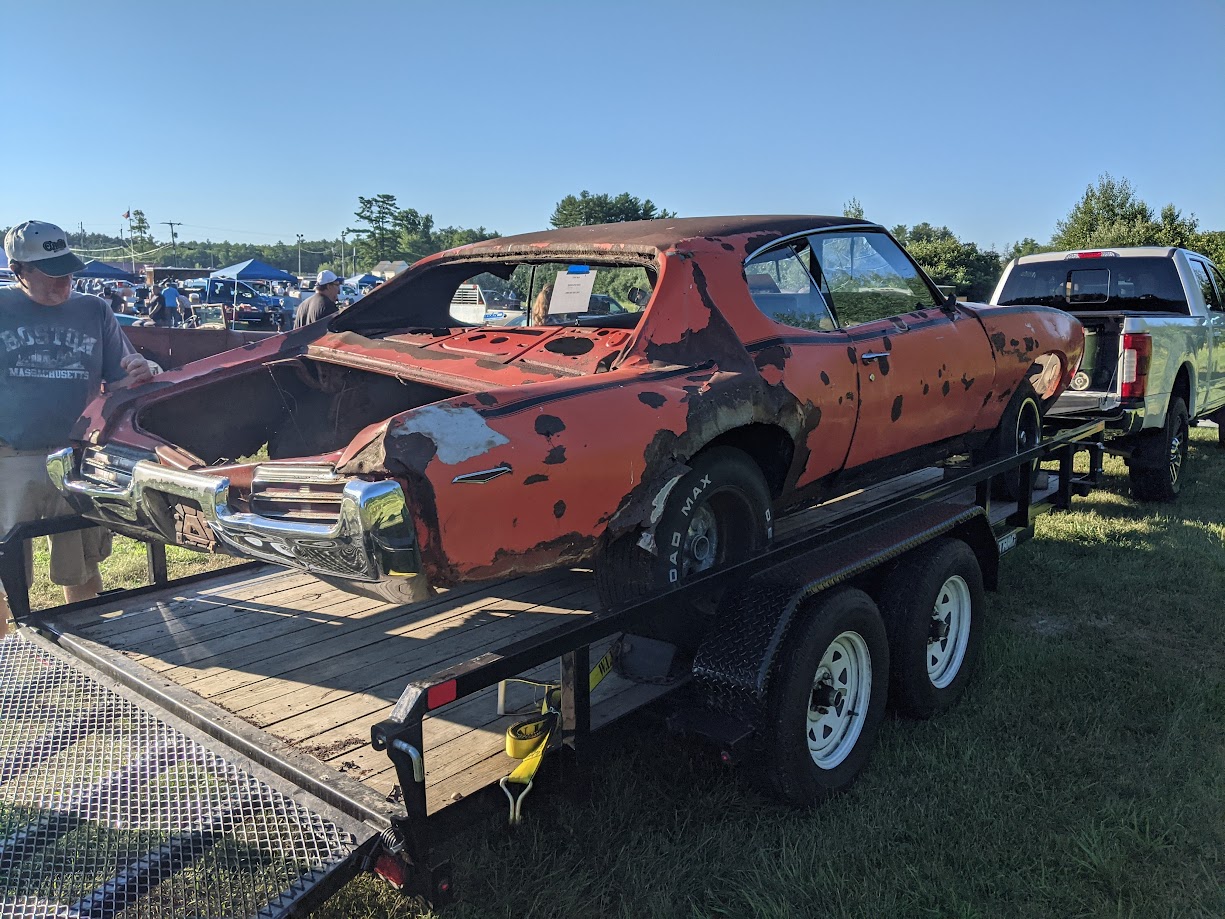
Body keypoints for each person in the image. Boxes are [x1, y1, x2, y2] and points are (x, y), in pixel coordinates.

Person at [0, 221, 154, 637]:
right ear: (19, 270)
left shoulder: (94, 310)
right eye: (51, 272)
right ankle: (5, 652)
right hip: (9, 456)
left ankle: (92, 640)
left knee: (81, 560)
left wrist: (139, 373)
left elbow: (119, 382)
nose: (63, 281)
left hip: (75, 454)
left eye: (67, 270)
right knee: (4, 568)